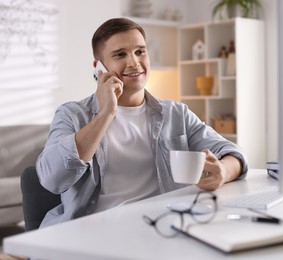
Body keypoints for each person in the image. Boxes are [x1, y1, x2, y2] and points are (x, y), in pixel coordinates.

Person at [36, 18, 248, 228]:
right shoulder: (70, 114)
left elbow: (233, 153)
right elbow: (52, 179)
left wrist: (223, 171)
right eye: (120, 54)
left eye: (140, 51)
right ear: (98, 67)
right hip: (94, 231)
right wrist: (106, 113)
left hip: (160, 227)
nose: (134, 62)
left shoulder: (176, 113)